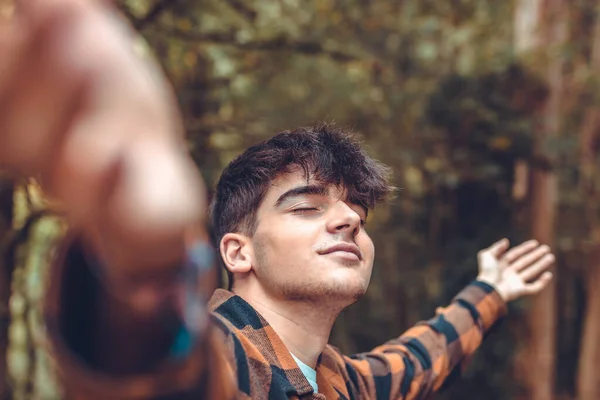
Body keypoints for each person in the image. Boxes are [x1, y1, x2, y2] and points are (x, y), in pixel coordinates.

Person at [0, 0, 554, 399]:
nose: (348, 221)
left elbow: (422, 358)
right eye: (307, 206)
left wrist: (491, 289)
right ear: (237, 252)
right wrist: (140, 259)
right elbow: (160, 371)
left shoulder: (345, 382)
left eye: (356, 212)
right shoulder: (221, 353)